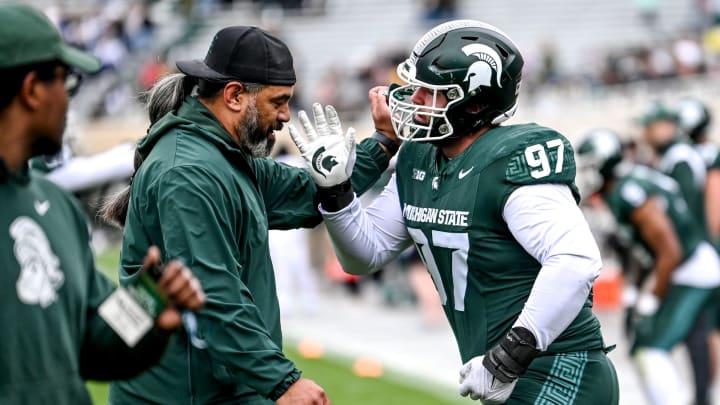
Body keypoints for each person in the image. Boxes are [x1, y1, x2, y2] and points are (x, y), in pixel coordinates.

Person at [290, 19, 618, 404]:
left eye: (431, 94)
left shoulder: (510, 158)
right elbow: (366, 253)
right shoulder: (418, 158)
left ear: (475, 103)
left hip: (561, 369)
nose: (413, 102)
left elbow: (576, 260)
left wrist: (505, 360)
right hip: (510, 374)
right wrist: (337, 192)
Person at [101, 25, 397, 404]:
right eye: (278, 101)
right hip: (185, 391)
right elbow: (212, 291)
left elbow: (310, 192)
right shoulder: (189, 173)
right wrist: (282, 381)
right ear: (236, 95)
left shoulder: (222, 158)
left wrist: (384, 142)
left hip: (214, 384)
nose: (286, 116)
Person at [0, 4, 206, 404]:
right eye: (68, 82)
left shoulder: (54, 204)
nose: (69, 100)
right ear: (32, 89)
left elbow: (94, 339)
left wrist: (151, 305)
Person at [576, 128, 720, 405]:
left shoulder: (629, 191)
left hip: (689, 270)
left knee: (650, 348)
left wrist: (650, 299)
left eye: (591, 165)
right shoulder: (625, 184)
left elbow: (669, 251)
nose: (587, 173)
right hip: (687, 268)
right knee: (676, 343)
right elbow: (645, 252)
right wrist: (635, 291)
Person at [638, 100, 715, 405]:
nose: (645, 132)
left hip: (690, 258)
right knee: (696, 334)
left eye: (652, 125)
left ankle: (702, 395)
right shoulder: (674, 156)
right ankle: (702, 395)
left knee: (665, 341)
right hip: (688, 257)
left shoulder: (680, 158)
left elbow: (683, 212)